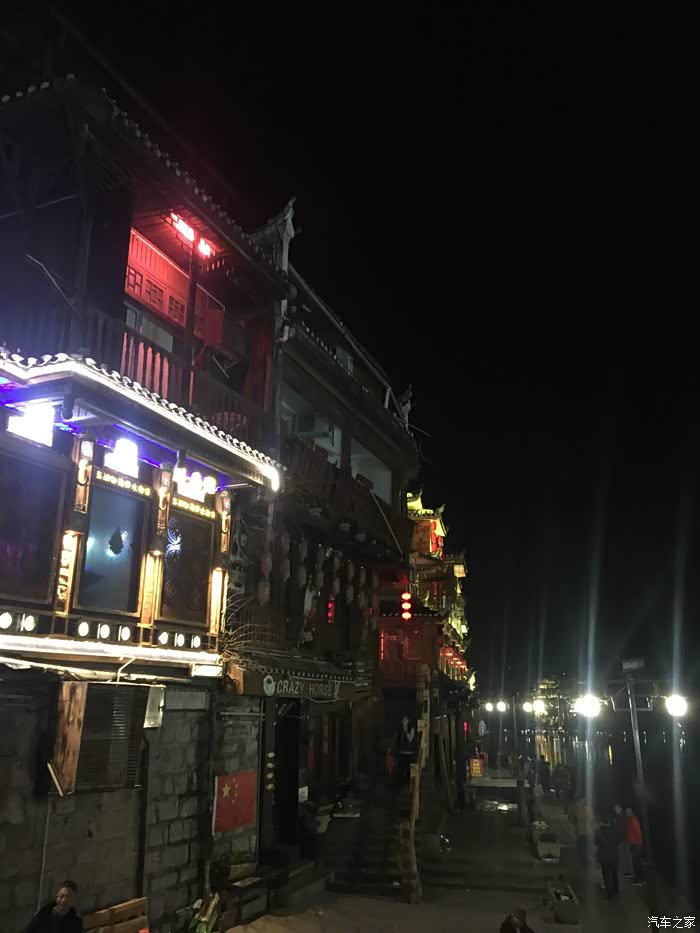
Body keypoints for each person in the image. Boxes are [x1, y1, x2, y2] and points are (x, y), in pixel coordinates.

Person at [595, 818, 620, 899]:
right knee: (614, 873)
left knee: (606, 876)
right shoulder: (614, 831)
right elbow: (618, 841)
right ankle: (616, 889)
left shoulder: (598, 832)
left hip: (604, 857)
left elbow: (595, 842)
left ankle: (609, 893)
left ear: (601, 823)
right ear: (609, 823)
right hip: (614, 856)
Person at [573, 795, 594, 867]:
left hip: (580, 830)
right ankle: (585, 861)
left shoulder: (577, 806)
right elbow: (591, 819)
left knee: (580, 846)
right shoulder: (588, 808)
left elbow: (574, 818)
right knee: (585, 847)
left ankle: (580, 861)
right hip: (586, 831)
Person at [626, 806, 644, 885]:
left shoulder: (633, 819)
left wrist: (638, 843)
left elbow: (638, 831)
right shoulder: (630, 819)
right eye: (626, 812)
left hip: (636, 844)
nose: (626, 813)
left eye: (627, 812)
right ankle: (639, 878)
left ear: (631, 812)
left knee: (636, 862)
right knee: (636, 862)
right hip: (634, 843)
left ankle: (638, 880)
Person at [396, 715, 416, 785]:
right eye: (402, 720)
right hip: (402, 752)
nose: (403, 722)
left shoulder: (411, 728)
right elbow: (398, 740)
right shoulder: (401, 729)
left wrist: (406, 731)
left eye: (405, 720)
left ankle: (408, 784)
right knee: (400, 770)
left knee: (408, 771)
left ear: (408, 721)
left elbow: (410, 739)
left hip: (409, 753)